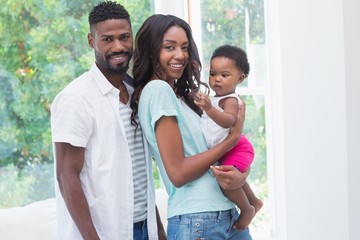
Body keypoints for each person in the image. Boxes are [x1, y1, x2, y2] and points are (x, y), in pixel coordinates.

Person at [130, 14, 252, 239]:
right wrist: (231, 141)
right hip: (197, 218)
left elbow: (211, 152)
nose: (180, 55)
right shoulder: (157, 90)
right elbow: (178, 173)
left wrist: (241, 175)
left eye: (184, 47)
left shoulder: (182, 97)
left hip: (226, 213)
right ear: (150, 50)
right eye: (169, 47)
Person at [50, 2, 165, 239]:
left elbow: (137, 171)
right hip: (105, 232)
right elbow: (66, 176)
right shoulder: (76, 98)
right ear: (92, 41)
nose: (118, 46)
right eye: (107, 39)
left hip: (144, 228)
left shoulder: (137, 92)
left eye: (124, 37)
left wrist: (158, 230)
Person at [194, 45, 263, 230]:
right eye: (213, 73)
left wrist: (208, 108)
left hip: (238, 146)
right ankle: (254, 201)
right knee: (234, 178)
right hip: (230, 147)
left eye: (224, 75)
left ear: (240, 78)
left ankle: (247, 209)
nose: (217, 79)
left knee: (226, 181)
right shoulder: (217, 98)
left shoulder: (230, 99)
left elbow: (228, 121)